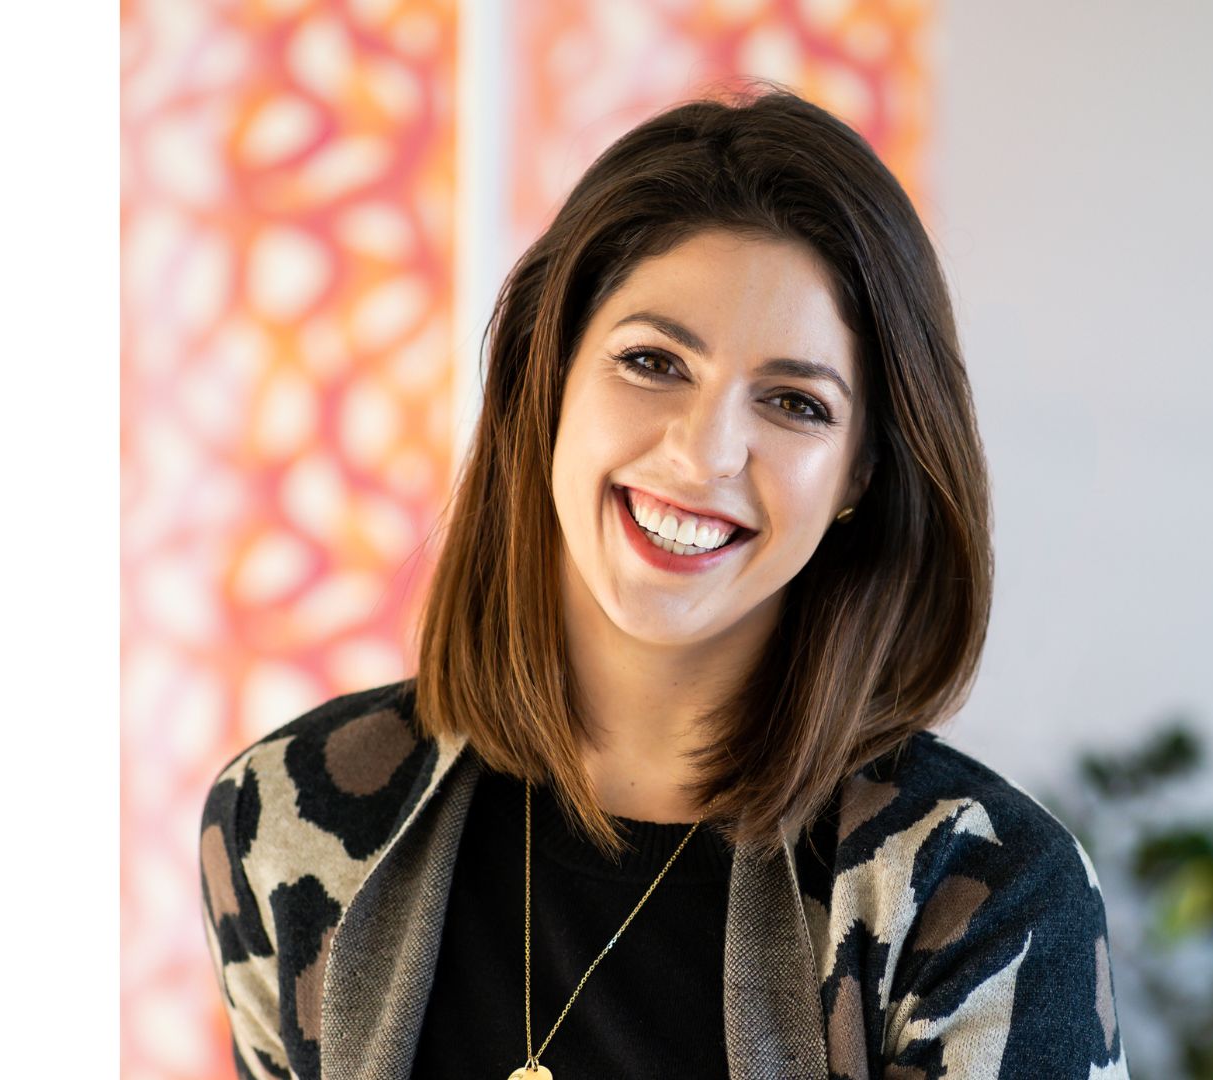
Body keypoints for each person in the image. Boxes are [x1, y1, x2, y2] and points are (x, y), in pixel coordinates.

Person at [200, 87, 1128, 1080]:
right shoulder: (286, 823)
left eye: (792, 402)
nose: (703, 453)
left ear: (862, 471)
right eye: (653, 361)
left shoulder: (979, 897)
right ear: (547, 377)